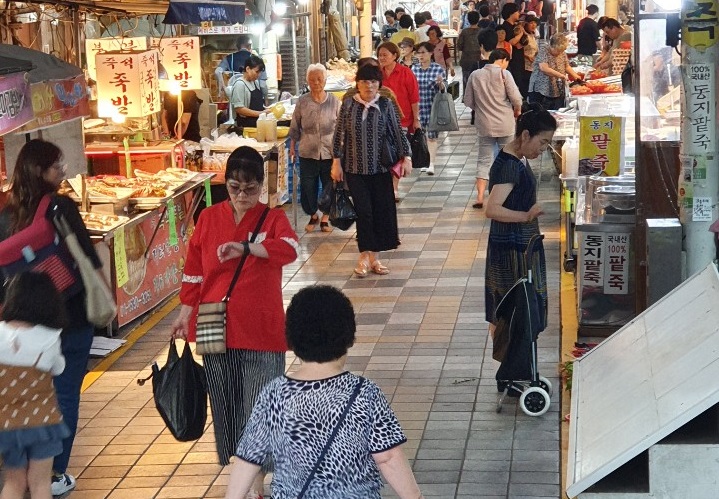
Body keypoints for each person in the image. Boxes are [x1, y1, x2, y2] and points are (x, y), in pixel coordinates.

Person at [171, 146, 298, 498]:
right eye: (233, 188)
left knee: (260, 404)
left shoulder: (271, 219)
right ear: (224, 184)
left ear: (262, 185)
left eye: (250, 189)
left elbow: (289, 248)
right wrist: (184, 314)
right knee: (225, 402)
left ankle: (255, 486)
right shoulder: (209, 218)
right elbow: (194, 271)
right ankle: (248, 482)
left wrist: (247, 248)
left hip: (261, 324)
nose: (242, 196)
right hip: (214, 320)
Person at [224, 285, 424, 499]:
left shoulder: (274, 394)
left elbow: (248, 458)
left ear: (291, 339)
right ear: (349, 337)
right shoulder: (364, 394)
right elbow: (388, 457)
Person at [0, 139, 105, 496]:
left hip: (21, 325)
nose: (63, 171)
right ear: (41, 172)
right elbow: (88, 257)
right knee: (65, 393)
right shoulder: (60, 206)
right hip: (70, 315)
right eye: (57, 166)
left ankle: (20, 473)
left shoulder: (7, 215)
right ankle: (54, 472)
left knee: (24, 394)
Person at [484, 103, 556, 345]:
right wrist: (525, 216)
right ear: (525, 135)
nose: (544, 149)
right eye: (543, 142)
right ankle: (510, 366)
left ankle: (515, 364)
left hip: (519, 247)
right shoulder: (509, 166)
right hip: (511, 250)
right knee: (511, 309)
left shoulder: (517, 157)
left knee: (517, 310)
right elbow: (492, 209)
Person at [331, 64, 411, 277]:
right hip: (355, 168)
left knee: (381, 212)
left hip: (381, 168)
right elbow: (339, 135)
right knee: (364, 212)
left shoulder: (386, 105)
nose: (369, 86)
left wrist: (407, 157)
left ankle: (373, 257)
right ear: (357, 84)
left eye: (374, 81)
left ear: (379, 84)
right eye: (365, 82)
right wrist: (336, 162)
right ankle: (363, 256)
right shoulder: (348, 105)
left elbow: (397, 132)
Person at [0, 272, 69, 499]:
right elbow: (58, 368)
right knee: (40, 483)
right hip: (43, 423)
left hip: (8, 423)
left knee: (13, 481)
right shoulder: (48, 337)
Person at [464, 49, 522, 209]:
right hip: (505, 123)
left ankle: (480, 197)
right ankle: (505, 196)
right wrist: (517, 110)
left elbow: (467, 101)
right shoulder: (504, 74)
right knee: (508, 158)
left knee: (483, 160)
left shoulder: (475, 75)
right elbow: (516, 98)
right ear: (503, 60)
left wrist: (482, 108)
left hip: (484, 124)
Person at [288, 64, 341, 233]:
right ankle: (313, 214)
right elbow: (295, 126)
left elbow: (341, 128)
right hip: (307, 150)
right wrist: (292, 147)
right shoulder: (303, 101)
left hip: (330, 151)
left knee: (329, 185)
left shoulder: (334, 101)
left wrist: (341, 152)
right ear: (307, 82)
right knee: (307, 186)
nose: (316, 83)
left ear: (325, 80)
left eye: (319, 79)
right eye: (312, 80)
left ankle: (325, 217)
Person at [376, 42, 420, 201]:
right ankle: (388, 186)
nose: (381, 58)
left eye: (385, 55)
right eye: (380, 55)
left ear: (394, 55)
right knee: (385, 154)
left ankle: (394, 188)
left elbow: (414, 98)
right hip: (380, 122)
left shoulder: (405, 73)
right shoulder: (377, 75)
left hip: (403, 120)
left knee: (397, 155)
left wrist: (416, 119)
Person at [412, 41, 446, 176]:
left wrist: (441, 84)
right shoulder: (413, 69)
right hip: (418, 108)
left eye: (423, 52)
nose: (421, 55)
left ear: (430, 53)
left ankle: (431, 164)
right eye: (418, 52)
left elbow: (444, 90)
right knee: (420, 136)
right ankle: (424, 162)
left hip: (432, 107)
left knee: (431, 137)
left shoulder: (438, 69)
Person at [527, 32, 582, 110]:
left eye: (561, 51)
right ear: (551, 46)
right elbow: (544, 68)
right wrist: (561, 75)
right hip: (541, 89)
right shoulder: (543, 51)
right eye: (558, 50)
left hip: (555, 88)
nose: (560, 53)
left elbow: (566, 66)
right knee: (540, 112)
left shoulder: (562, 52)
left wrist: (576, 76)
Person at [215, 35, 268, 100]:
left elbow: (217, 72)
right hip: (253, 95)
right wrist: (265, 98)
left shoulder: (229, 58)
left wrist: (223, 89)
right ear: (249, 46)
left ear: (237, 46)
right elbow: (262, 85)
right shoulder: (257, 59)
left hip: (235, 94)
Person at [229, 55, 266, 129]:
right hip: (245, 127)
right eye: (257, 72)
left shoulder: (255, 83)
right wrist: (260, 113)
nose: (258, 75)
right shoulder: (239, 84)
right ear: (248, 69)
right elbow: (239, 109)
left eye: (260, 72)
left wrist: (266, 109)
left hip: (257, 125)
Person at [501, 3, 527, 88]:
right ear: (511, 13)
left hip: (519, 59)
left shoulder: (516, 26)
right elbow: (511, 42)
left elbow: (524, 41)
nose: (519, 13)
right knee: (514, 83)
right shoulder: (505, 27)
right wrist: (520, 35)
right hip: (512, 61)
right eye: (517, 11)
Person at [457, 10, 482, 93]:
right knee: (479, 80)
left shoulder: (464, 32)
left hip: (466, 59)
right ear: (478, 19)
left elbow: (459, 46)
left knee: (466, 79)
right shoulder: (482, 31)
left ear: (468, 19)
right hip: (480, 59)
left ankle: (467, 96)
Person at [520, 14, 539, 98]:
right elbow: (518, 50)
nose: (533, 25)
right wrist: (527, 57)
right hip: (525, 67)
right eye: (531, 23)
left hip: (533, 67)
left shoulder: (532, 36)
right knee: (526, 90)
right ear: (526, 24)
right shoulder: (523, 36)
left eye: (535, 23)